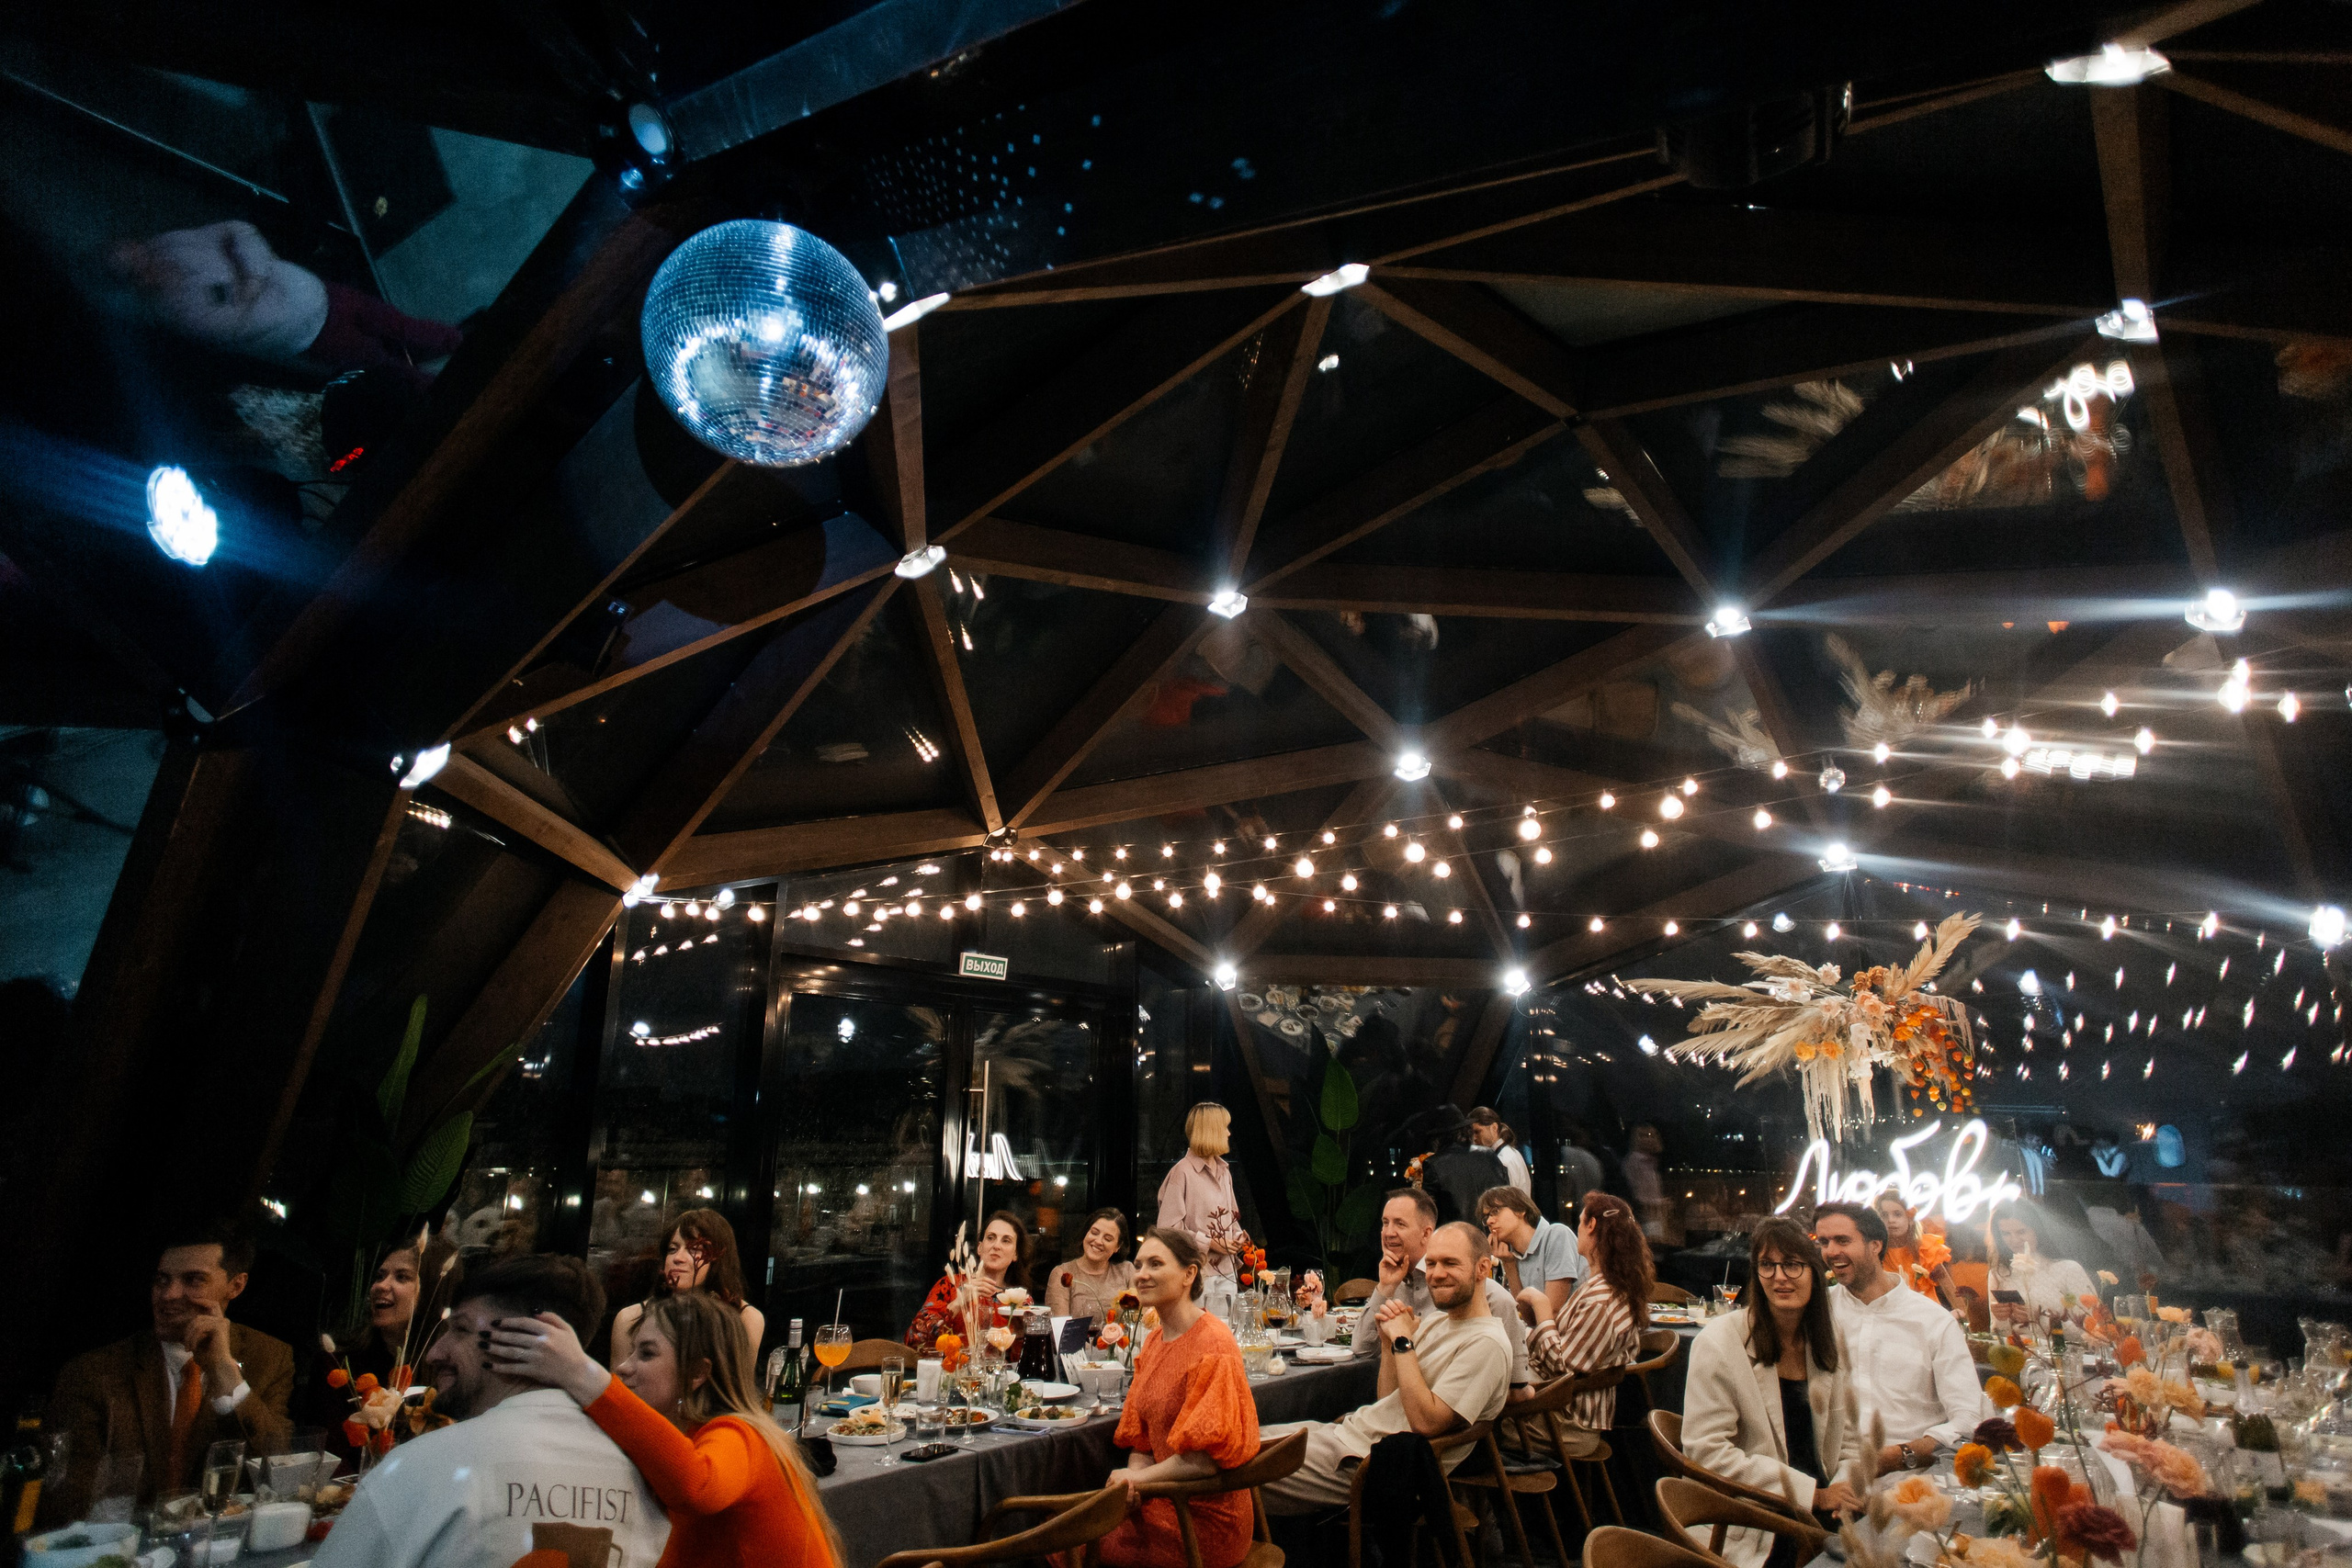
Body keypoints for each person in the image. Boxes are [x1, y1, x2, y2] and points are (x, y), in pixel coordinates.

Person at [312, 1255, 672, 1568]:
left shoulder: (416, 1470)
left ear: (527, 1338)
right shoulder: (651, 1484)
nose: (435, 1353)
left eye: (461, 1329)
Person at [489, 1287, 842, 1568]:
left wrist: (584, 1375)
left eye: (646, 1354)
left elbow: (696, 1486)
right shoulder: (681, 1440)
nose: (623, 1369)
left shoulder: (741, 1435)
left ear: (697, 1374)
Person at [44, 1218, 295, 1523]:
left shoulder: (269, 1357)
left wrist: (225, 1372)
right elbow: (68, 1501)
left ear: (236, 1285)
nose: (169, 1294)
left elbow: (278, 1471)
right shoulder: (94, 1373)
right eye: (162, 1280)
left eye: (193, 1280)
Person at [1260, 1223, 1513, 1512]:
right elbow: (1389, 1399)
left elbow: (1427, 1423)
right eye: (1431, 1264)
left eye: (1450, 1263)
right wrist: (1387, 1343)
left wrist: (1403, 1340)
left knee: (1223, 1469)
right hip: (1344, 1437)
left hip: (1365, 1464)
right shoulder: (1439, 1321)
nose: (1437, 1274)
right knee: (1236, 1441)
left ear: (1482, 1268)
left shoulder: (1487, 1344)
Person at [1682, 1218, 1866, 1565]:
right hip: (1751, 1517)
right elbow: (1707, 1452)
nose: (1780, 1277)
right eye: (1768, 1265)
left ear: (1815, 1272)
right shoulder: (1719, 1342)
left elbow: (1849, 1442)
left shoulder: (1829, 1340)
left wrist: (1843, 1492)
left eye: (1793, 1265)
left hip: (1823, 1510)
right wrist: (1813, 1495)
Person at [1093, 1228, 1260, 1567]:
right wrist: (1133, 1488)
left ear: (1189, 1274)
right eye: (1139, 1265)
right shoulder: (1154, 1342)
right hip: (1165, 1498)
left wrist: (1138, 1479)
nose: (1142, 1274)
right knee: (1068, 1529)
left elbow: (1202, 1459)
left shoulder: (1212, 1343)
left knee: (1071, 1541)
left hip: (1203, 1518)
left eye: (1156, 1264)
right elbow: (1142, 1441)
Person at [1812, 1202, 1986, 1473]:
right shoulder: (1816, 1314)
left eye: (1843, 1240)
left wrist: (1898, 1456)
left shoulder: (1933, 1322)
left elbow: (1970, 1418)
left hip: (1910, 1475)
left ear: (1876, 1245)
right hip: (1826, 1474)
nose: (1831, 1252)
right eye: (1824, 1242)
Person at [1302, 1188, 1528, 1387]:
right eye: (1385, 1223)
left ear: (1426, 1233)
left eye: (1400, 1224)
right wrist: (1385, 1287)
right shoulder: (1392, 1285)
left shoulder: (1478, 1291)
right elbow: (1362, 1350)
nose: (1389, 1233)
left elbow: (1515, 1386)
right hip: (1394, 1403)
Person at [316, 1235, 464, 1464]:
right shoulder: (341, 1365)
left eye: (402, 1277)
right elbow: (331, 1460)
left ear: (434, 1289)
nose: (380, 1286)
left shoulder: (454, 1370)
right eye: (379, 1276)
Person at [1519, 1193, 1651, 1428]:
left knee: (1482, 1416)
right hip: (1555, 1403)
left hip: (1566, 1418)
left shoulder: (1601, 1299)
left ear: (1591, 1225)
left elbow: (1562, 1367)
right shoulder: (1602, 1285)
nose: (1576, 1229)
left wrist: (1541, 1308)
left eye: (1579, 1222)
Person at [613, 1210, 766, 1364]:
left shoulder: (745, 1318)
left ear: (718, 1258)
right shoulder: (631, 1318)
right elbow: (621, 1384)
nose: (678, 1258)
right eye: (672, 1249)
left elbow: (737, 1386)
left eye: (694, 1249)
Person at [906, 1210, 1032, 1353]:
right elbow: (914, 1339)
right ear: (979, 1248)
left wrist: (1022, 1333)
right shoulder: (949, 1285)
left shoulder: (1020, 1300)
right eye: (991, 1238)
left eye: (1006, 1240)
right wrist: (959, 1302)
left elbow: (1025, 1359)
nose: (996, 1246)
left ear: (1015, 1254)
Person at [1158, 1103, 1246, 1282]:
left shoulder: (1224, 1170)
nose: (1229, 1133)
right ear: (1211, 1131)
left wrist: (1238, 1237)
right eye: (1224, 1127)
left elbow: (1232, 1218)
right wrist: (1210, 1243)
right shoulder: (1182, 1172)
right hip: (1196, 1274)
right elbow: (1168, 1230)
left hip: (1227, 1272)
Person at [1475, 1186, 1582, 1317]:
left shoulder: (1556, 1234)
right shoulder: (1515, 1255)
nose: (1490, 1221)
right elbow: (1528, 1318)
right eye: (1486, 1218)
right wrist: (1509, 1264)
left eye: (1495, 1211)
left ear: (1520, 1210)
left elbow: (1552, 1311)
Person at [1986, 1202, 2097, 1326]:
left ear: (2037, 1230)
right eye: (2006, 1234)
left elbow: (2094, 1331)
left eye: (2021, 1232)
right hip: (2017, 1345)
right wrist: (2002, 1319)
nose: (2015, 1240)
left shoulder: (2068, 1269)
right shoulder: (1999, 1273)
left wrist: (2039, 1320)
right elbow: (1999, 1335)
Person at [1417, 1108, 1510, 1226]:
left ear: (1438, 1138)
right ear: (1466, 1131)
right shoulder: (1489, 1154)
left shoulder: (1433, 1164)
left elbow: (1429, 1213)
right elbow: (1507, 1198)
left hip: (1458, 1238)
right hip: (1494, 1235)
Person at [1046, 1208, 1137, 1325]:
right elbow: (1060, 1330)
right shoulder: (1063, 1274)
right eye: (1094, 1233)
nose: (1098, 1241)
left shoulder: (1127, 1271)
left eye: (1108, 1239)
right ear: (1086, 1233)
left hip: (1121, 1342)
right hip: (1075, 1343)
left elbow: (1140, 1321)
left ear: (1117, 1247)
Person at [1873, 1193, 1957, 1305]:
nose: (1891, 1220)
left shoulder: (1926, 1249)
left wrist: (1963, 1320)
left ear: (1910, 1219)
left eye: (1897, 1214)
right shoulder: (1874, 1253)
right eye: (1884, 1215)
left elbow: (1951, 1292)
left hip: (1930, 1317)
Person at [1467, 1107, 1532, 1194]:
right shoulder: (1510, 1153)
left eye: (1477, 1132)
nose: (1474, 1138)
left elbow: (1507, 1200)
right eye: (1471, 1133)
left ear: (1494, 1128)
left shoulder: (1503, 1160)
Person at [1625, 1123, 1669, 1242]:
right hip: (1645, 1217)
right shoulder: (1634, 1161)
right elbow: (1634, 1193)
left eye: (1651, 1135)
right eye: (1643, 1136)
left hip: (1656, 1215)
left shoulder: (1652, 1163)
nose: (1648, 1139)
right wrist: (1660, 1203)